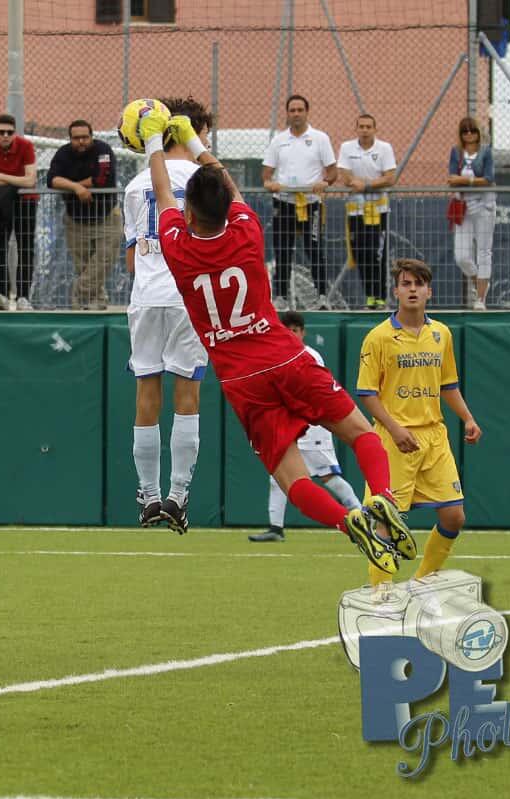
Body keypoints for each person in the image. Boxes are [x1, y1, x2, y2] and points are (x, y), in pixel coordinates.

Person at [141, 107, 412, 575]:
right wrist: (197, 145)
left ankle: (349, 523)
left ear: (188, 214)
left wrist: (152, 143)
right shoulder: (247, 230)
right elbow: (229, 189)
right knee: (362, 433)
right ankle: (382, 498)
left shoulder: (177, 247)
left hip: (243, 380)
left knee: (292, 479)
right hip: (285, 355)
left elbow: (163, 193)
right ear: (227, 208)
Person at [356, 258, 482, 589]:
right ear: (396, 291)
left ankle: (421, 585)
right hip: (393, 439)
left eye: (419, 284)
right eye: (406, 284)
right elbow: (367, 394)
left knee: (454, 516)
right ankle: (380, 596)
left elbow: (448, 385)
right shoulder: (378, 338)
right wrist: (395, 429)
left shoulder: (441, 334)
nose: (413, 289)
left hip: (434, 437)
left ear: (429, 291)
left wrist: (467, 418)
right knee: (384, 519)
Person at [123, 96, 213, 534]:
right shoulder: (204, 177)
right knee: (188, 395)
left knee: (146, 393)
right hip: (188, 294)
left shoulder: (134, 184)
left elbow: (130, 262)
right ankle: (178, 495)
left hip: (147, 295)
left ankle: (148, 495)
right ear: (192, 132)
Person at [249, 311, 362, 542]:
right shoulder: (276, 356)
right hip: (292, 425)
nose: (291, 334)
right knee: (277, 476)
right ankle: (276, 528)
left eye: (295, 330)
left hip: (312, 426)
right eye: (286, 330)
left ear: (302, 332)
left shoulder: (309, 355)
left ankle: (362, 515)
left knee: (329, 476)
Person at [262, 95, 337, 307]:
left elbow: (332, 173)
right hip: (284, 202)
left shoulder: (320, 138)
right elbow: (266, 175)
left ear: (307, 112)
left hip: (311, 203)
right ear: (287, 113)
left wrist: (325, 182)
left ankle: (322, 297)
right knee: (282, 251)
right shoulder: (278, 141)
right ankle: (281, 298)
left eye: (300, 110)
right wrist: (271, 184)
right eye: (292, 110)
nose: (296, 114)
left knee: (314, 250)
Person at [46, 119, 121, 309]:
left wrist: (70, 184)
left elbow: (102, 179)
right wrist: (77, 188)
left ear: (92, 137)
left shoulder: (103, 151)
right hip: (76, 220)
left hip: (106, 216)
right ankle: (97, 301)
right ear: (70, 138)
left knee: (104, 259)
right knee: (83, 265)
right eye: (76, 138)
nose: (81, 142)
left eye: (85, 137)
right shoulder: (63, 154)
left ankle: (79, 292)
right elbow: (52, 180)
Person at [337, 114, 397, 309]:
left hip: (378, 211)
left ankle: (380, 297)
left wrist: (367, 185)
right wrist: (357, 183)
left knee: (377, 254)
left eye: (368, 127)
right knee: (360, 254)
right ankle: (370, 296)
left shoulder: (384, 148)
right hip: (356, 211)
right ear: (356, 129)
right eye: (361, 126)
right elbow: (346, 177)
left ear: (375, 129)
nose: (364, 130)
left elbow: (389, 178)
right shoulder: (347, 148)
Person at [0, 114, 37, 310]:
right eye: (1, 132)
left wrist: (2, 176)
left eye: (9, 132)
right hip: (0, 200)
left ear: (14, 133)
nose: (5, 136)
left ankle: (23, 296)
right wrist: (14, 181)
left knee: (25, 247)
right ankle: (2, 293)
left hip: (25, 201)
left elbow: (30, 180)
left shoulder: (25, 146)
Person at [448, 117, 495, 311]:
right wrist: (473, 180)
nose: (469, 134)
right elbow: (451, 178)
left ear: (478, 132)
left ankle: (481, 299)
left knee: (484, 251)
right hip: (463, 206)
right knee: (461, 256)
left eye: (472, 130)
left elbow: (489, 178)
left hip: (484, 205)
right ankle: (480, 282)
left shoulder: (486, 152)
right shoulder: (456, 152)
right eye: (465, 131)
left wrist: (465, 180)